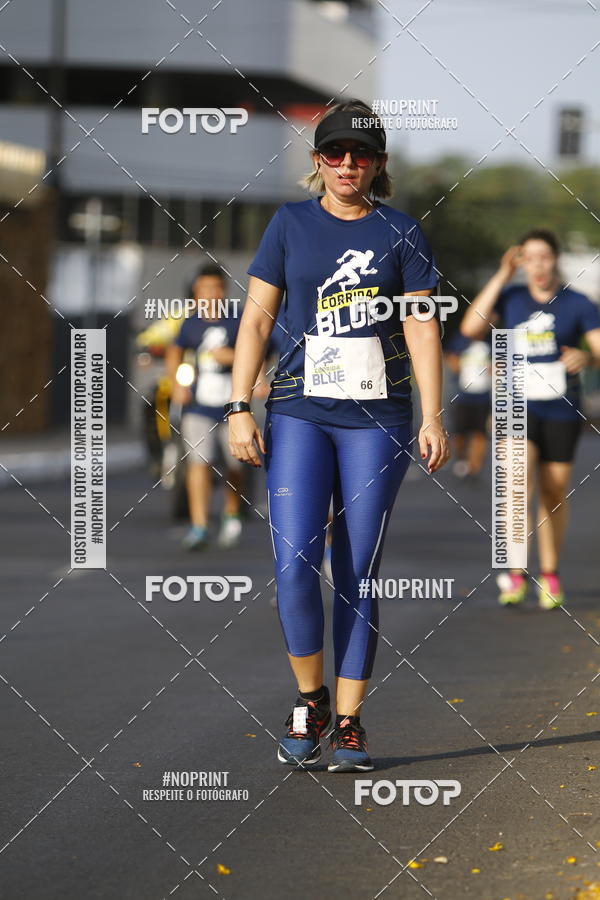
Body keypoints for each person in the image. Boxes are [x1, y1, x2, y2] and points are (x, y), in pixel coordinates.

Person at [226, 99, 450, 772]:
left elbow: (420, 326)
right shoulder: (289, 223)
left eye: (361, 155)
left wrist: (433, 415)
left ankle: (350, 721)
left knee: (357, 568)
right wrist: (239, 404)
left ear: (378, 165)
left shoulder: (401, 231)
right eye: (335, 153)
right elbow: (256, 320)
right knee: (294, 560)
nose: (347, 164)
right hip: (299, 409)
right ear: (317, 160)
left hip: (378, 418)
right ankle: (310, 700)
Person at [461, 230, 600, 608]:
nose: (538, 265)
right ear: (520, 262)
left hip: (560, 408)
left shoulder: (577, 303)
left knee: (553, 491)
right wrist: (502, 274)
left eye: (544, 257)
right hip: (514, 405)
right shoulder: (510, 298)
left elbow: (598, 348)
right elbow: (471, 328)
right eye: (529, 257)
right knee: (517, 483)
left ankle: (550, 573)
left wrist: (587, 357)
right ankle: (516, 571)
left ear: (555, 259)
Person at [166, 264, 245, 550]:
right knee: (199, 462)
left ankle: (231, 513)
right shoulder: (190, 322)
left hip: (233, 406)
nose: (211, 293)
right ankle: (199, 525)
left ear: (224, 290)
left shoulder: (237, 319)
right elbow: (175, 351)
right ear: (196, 292)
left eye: (216, 287)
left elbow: (259, 350)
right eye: (204, 288)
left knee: (235, 464)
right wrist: (177, 384)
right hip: (199, 406)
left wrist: (232, 357)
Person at [444, 332, 491, 478]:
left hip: (483, 396)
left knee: (480, 433)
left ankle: (474, 467)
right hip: (462, 396)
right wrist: (458, 365)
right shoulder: (460, 341)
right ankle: (461, 459)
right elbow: (451, 359)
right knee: (459, 432)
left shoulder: (490, 342)